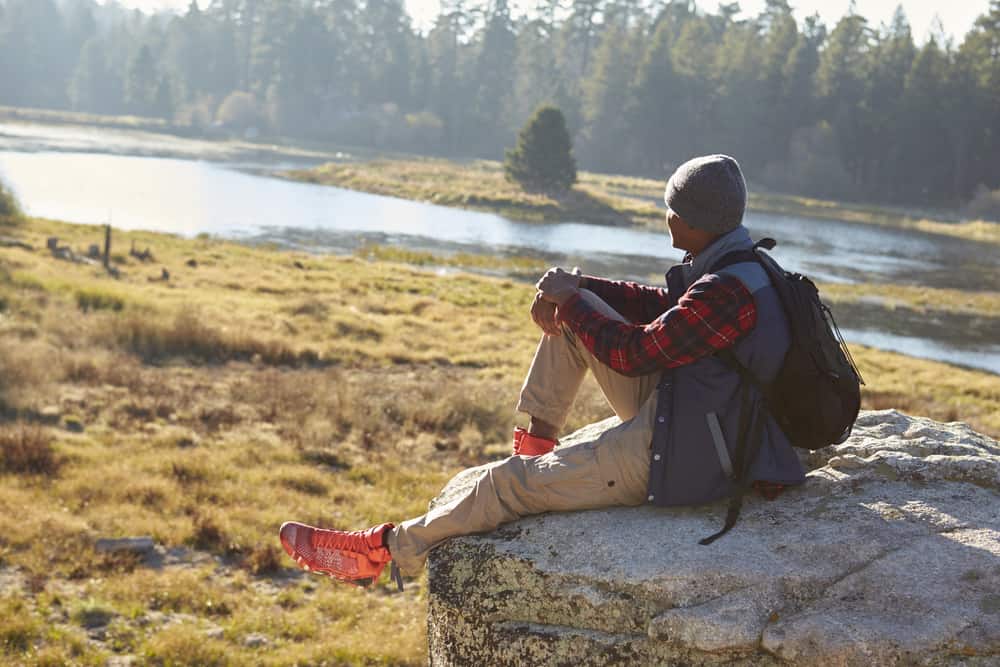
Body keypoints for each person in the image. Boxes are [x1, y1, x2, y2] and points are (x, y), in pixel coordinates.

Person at [278, 154, 805, 586]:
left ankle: (384, 551)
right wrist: (575, 288)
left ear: (689, 220)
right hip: (697, 414)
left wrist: (569, 300)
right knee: (576, 320)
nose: (666, 218)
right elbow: (659, 307)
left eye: (671, 209)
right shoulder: (742, 267)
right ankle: (534, 454)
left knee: (501, 485)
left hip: (684, 452)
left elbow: (636, 354)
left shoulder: (725, 292)